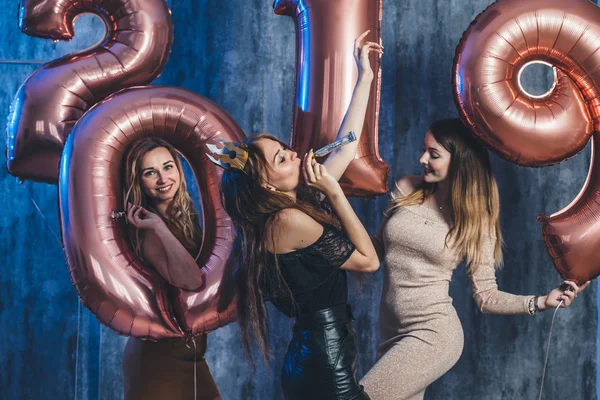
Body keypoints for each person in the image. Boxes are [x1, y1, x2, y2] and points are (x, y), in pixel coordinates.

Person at [360, 118, 590, 400]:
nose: (422, 159)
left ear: (460, 162)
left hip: (434, 334)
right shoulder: (408, 188)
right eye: (424, 150)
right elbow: (373, 250)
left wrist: (541, 301)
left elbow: (486, 296)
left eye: (434, 154)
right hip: (392, 332)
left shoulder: (478, 219)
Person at [215, 32, 382, 400]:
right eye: (280, 159)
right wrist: (335, 193)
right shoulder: (288, 222)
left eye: (285, 149)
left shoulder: (293, 207)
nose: (293, 154)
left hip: (319, 354)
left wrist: (365, 76)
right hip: (326, 362)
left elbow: (349, 143)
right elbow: (369, 262)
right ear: (268, 188)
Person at [121, 137, 221, 400]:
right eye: (150, 172)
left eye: (168, 167)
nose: (163, 179)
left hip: (191, 354)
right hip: (159, 359)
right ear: (139, 181)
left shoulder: (188, 218)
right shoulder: (148, 233)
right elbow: (191, 281)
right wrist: (158, 227)